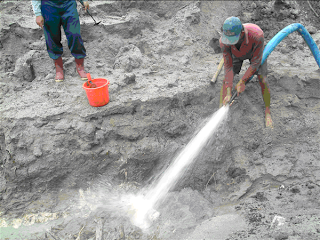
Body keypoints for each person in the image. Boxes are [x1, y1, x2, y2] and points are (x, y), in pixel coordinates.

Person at [219, 16, 273, 128]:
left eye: (233, 40)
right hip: (236, 54)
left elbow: (255, 63)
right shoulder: (225, 41)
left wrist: (242, 81)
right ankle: (222, 108)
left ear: (242, 33)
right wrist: (229, 91)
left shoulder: (257, 35)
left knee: (263, 79)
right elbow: (228, 67)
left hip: (254, 53)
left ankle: (267, 111)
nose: (230, 43)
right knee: (226, 81)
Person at [31, 0, 89, 82]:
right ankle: (59, 68)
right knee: (52, 37)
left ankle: (80, 66)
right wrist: (38, 14)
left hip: (68, 4)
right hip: (48, 6)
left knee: (74, 34)